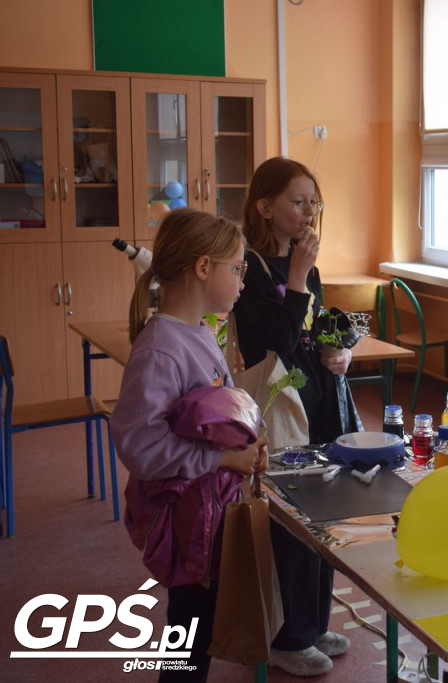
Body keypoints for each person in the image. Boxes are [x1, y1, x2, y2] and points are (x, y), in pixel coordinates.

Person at [111, 208, 269, 682]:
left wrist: (246, 440)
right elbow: (140, 447)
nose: (242, 281)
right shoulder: (161, 347)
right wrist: (221, 456)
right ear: (203, 268)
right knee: (189, 632)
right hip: (187, 518)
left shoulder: (199, 331)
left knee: (198, 624)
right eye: (237, 269)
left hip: (210, 507)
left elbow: (215, 407)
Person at [232, 156, 357, 676]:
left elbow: (318, 326)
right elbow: (275, 344)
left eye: (314, 201)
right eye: (298, 201)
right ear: (265, 207)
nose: (309, 212)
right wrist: (299, 275)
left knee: (322, 515)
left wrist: (340, 349)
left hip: (319, 399)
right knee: (289, 517)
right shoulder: (252, 269)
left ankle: (312, 620)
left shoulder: (308, 264)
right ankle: (286, 635)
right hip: (283, 408)